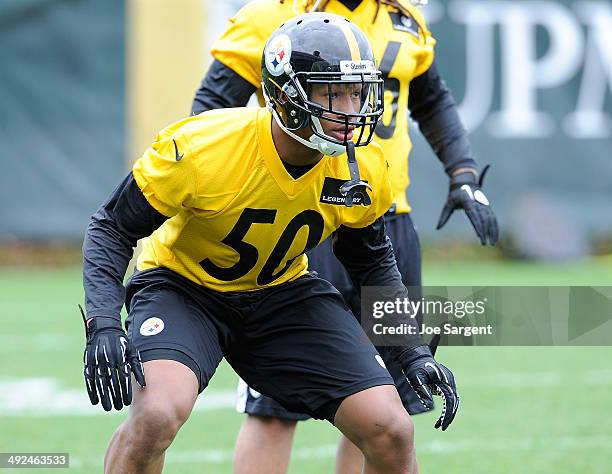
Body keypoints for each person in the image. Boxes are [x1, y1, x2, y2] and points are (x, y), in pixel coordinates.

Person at [80, 12, 459, 474]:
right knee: (157, 415)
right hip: (184, 289)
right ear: (287, 95)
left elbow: (372, 264)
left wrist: (412, 350)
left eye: (357, 92)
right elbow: (111, 227)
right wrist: (103, 322)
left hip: (282, 293)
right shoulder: (204, 147)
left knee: (392, 428)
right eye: (331, 91)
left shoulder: (363, 166)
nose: (351, 108)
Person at [191, 1, 497, 473]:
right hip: (304, 221)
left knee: (381, 400)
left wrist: (463, 173)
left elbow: (433, 100)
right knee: (274, 407)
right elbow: (208, 114)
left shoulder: (402, 19)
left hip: (387, 223)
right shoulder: (275, 15)